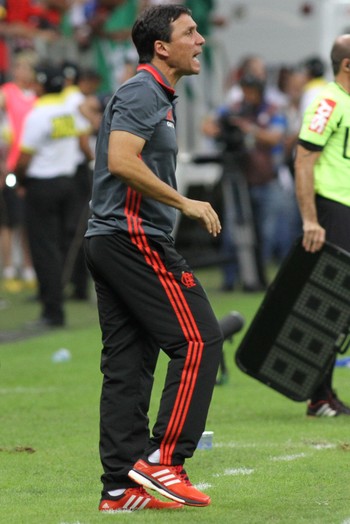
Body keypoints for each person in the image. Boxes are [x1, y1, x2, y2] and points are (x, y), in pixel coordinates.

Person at [84, 4, 223, 512]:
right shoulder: (143, 90)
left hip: (111, 238)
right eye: (190, 32)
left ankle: (119, 489)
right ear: (161, 47)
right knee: (200, 339)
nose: (201, 40)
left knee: (128, 365)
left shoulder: (155, 92)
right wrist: (183, 200)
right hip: (132, 237)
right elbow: (121, 159)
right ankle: (165, 460)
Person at [295, 34, 350, 417]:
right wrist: (311, 219)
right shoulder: (328, 102)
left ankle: (325, 392)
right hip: (333, 211)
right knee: (328, 303)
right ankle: (318, 396)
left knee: (341, 306)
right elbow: (303, 160)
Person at [14, 63, 83, 327]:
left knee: (44, 248)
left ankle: (52, 311)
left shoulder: (38, 115)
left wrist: (18, 180)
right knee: (60, 244)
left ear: (40, 85)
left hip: (42, 184)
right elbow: (81, 141)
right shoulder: (67, 111)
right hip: (67, 181)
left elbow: (24, 158)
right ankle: (59, 299)